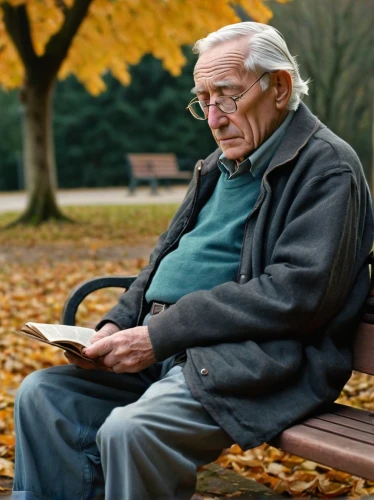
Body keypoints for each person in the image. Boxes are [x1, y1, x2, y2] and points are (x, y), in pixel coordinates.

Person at [12, 21, 373, 500]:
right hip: (168, 348)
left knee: (131, 430)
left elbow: (296, 293)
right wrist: (116, 324)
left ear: (280, 87)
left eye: (226, 96)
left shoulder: (327, 167)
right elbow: (163, 256)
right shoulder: (217, 166)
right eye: (202, 100)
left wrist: (159, 335)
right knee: (43, 397)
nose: (214, 117)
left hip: (251, 360)